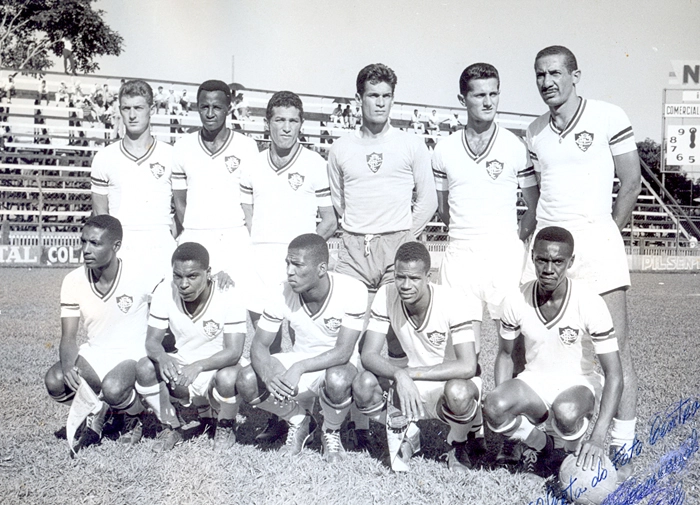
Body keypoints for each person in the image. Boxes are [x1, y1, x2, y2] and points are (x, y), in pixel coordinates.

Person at [524, 45, 641, 479]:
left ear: (576, 75)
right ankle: (547, 442)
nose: (547, 82)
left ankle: (622, 440)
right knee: (535, 346)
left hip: (596, 242)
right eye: (539, 75)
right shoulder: (532, 131)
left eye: (555, 73)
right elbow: (534, 196)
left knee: (615, 346)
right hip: (548, 248)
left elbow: (630, 180)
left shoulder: (608, 115)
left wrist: (607, 232)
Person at [432, 63, 539, 454]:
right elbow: (444, 209)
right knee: (464, 347)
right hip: (460, 252)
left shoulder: (515, 146)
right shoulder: (443, 148)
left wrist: (513, 240)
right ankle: (468, 433)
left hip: (503, 253)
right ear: (462, 99)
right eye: (479, 94)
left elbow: (532, 205)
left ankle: (517, 431)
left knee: (515, 344)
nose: (488, 101)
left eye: (493, 93)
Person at [328, 63, 437, 445]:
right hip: (354, 249)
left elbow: (428, 201)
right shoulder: (340, 147)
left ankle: (402, 422)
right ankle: (354, 423)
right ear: (358, 99)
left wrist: (405, 238)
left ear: (393, 98)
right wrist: (359, 234)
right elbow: (340, 203)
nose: (380, 103)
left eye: (386, 96)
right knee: (352, 334)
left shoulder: (410, 144)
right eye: (372, 95)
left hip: (396, 246)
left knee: (395, 336)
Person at [483, 226, 623, 478]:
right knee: (493, 406)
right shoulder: (516, 299)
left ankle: (566, 450)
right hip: (534, 382)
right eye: (542, 260)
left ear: (571, 261)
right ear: (532, 256)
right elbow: (505, 355)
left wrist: (599, 435)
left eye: (558, 261)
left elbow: (614, 374)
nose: (549, 269)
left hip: (578, 384)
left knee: (566, 412)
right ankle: (542, 445)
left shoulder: (589, 302)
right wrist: (504, 401)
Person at [236, 234, 368, 463]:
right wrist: (268, 375)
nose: (289, 271)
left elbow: (343, 352)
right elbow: (258, 345)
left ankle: (331, 430)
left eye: (297, 264)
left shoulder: (352, 289)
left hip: (338, 365)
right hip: (301, 359)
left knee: (337, 379)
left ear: (321, 268)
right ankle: (299, 421)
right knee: (247, 380)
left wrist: (299, 367)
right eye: (287, 263)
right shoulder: (281, 291)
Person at [352, 242, 482, 472]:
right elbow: (368, 354)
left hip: (449, 382)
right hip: (410, 381)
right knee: (363, 384)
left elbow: (468, 366)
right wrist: (399, 374)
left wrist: (407, 374)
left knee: (459, 393)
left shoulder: (453, 300)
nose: (405, 285)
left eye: (413, 278)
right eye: (400, 277)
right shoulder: (386, 293)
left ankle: (457, 443)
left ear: (427, 276)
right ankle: (408, 432)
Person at [44, 216, 152, 452]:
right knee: (56, 381)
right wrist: (68, 366)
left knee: (113, 388)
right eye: (83, 242)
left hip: (132, 354)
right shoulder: (72, 280)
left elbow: (165, 316)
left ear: (115, 246)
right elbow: (69, 337)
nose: (86, 250)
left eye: (95, 243)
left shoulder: (141, 275)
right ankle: (101, 409)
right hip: (96, 352)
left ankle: (135, 415)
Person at [135, 242, 248, 452]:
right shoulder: (164, 291)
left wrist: (198, 366)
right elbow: (152, 341)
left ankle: (225, 424)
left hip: (219, 366)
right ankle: (170, 426)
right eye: (178, 276)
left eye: (192, 276)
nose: (183, 284)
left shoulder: (228, 293)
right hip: (184, 363)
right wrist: (162, 357)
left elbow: (234, 351)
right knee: (145, 367)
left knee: (229, 378)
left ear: (208, 273)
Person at [241, 90, 337, 318]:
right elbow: (247, 216)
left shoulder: (315, 164)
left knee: (301, 334)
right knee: (264, 337)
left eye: (293, 121)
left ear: (301, 124)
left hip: (299, 262)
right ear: (267, 123)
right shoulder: (252, 164)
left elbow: (330, 221)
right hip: (260, 260)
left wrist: (305, 253)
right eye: (279, 120)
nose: (286, 127)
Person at [173, 79, 260, 286]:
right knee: (194, 305)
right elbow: (179, 202)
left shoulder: (247, 146)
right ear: (197, 108)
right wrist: (195, 228)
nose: (210, 113)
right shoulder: (182, 146)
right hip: (195, 235)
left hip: (233, 237)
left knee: (232, 305)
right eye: (204, 107)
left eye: (217, 107)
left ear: (228, 109)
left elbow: (252, 202)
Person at [91, 79, 176, 288]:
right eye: (126, 108)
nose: (132, 115)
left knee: (162, 318)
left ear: (152, 109)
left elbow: (182, 210)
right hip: (122, 249)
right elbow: (100, 216)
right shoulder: (104, 157)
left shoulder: (172, 156)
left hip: (161, 249)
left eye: (138, 108)